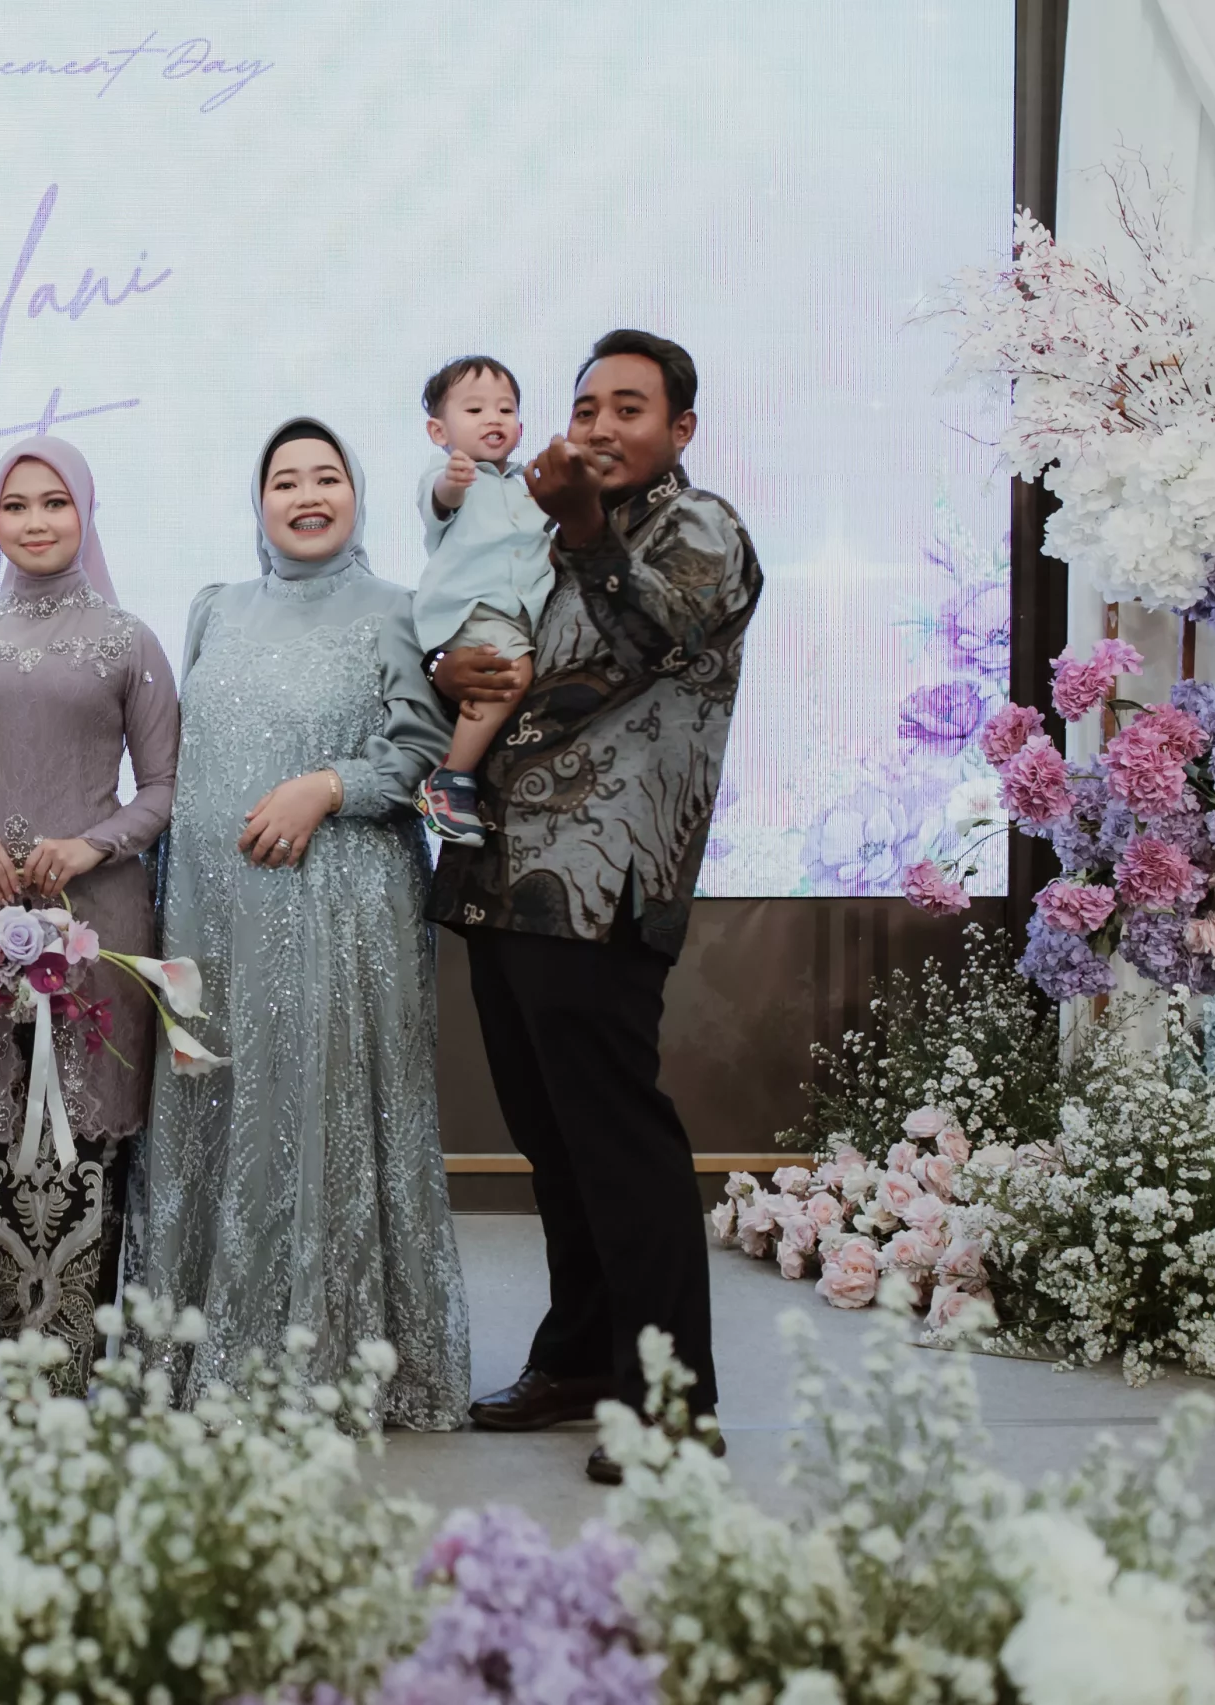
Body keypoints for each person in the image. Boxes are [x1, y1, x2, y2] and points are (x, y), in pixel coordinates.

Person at [429, 330, 762, 1484]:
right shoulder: (531, 528)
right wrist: (443, 669)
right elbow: (486, 646)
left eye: (630, 407)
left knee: (619, 1145)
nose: (602, 426)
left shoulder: (700, 528)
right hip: (499, 882)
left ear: (680, 427)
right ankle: (578, 1357)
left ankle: (671, 1400)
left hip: (603, 888)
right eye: (585, 407)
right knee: (553, 1143)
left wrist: (579, 529)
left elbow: (640, 640)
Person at [127, 416, 472, 1430]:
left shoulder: (397, 609)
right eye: (286, 480)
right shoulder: (213, 606)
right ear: (260, 500)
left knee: (323, 1116)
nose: (307, 495)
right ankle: (205, 1347)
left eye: (328, 477)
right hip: (213, 914)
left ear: (357, 495)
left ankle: (330, 1360)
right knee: (221, 1110)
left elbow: (422, 755)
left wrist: (325, 786)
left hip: (339, 909)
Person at [0, 436, 180, 1388]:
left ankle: (77, 1375)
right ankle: (25, 1375)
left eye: (54, 502)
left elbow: (167, 785)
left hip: (98, 924)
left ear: (85, 512)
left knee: (84, 1135)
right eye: (15, 505)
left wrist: (93, 843)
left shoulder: (129, 639)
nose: (35, 521)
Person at [407, 356, 553, 847]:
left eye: (505, 410)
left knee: (504, 681)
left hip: (516, 614)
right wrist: (452, 481)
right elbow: (440, 501)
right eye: (474, 410)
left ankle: (459, 775)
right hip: (471, 609)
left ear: (520, 427)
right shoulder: (449, 472)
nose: (493, 419)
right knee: (511, 675)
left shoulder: (524, 486)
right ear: (438, 431)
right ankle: (451, 777)